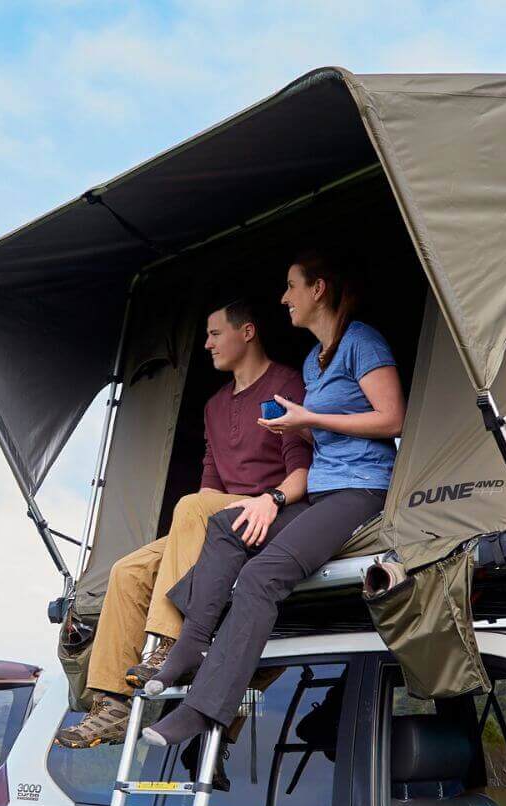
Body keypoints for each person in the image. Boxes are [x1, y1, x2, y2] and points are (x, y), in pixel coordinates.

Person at [139, 250, 404, 748]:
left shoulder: (361, 343)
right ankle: (191, 647)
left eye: (290, 286)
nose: (283, 298)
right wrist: (272, 498)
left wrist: (309, 420)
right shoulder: (313, 360)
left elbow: (393, 419)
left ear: (317, 289)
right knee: (227, 525)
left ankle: (202, 710)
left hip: (362, 489)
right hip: (321, 492)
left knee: (261, 577)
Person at [53, 301, 310, 749]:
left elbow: (304, 473)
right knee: (127, 571)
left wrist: (268, 501)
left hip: (272, 515)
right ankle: (113, 703)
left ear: (246, 332)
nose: (206, 343)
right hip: (217, 519)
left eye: (214, 333)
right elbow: (210, 485)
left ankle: (174, 646)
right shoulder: (213, 406)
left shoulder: (287, 383)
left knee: (192, 507)